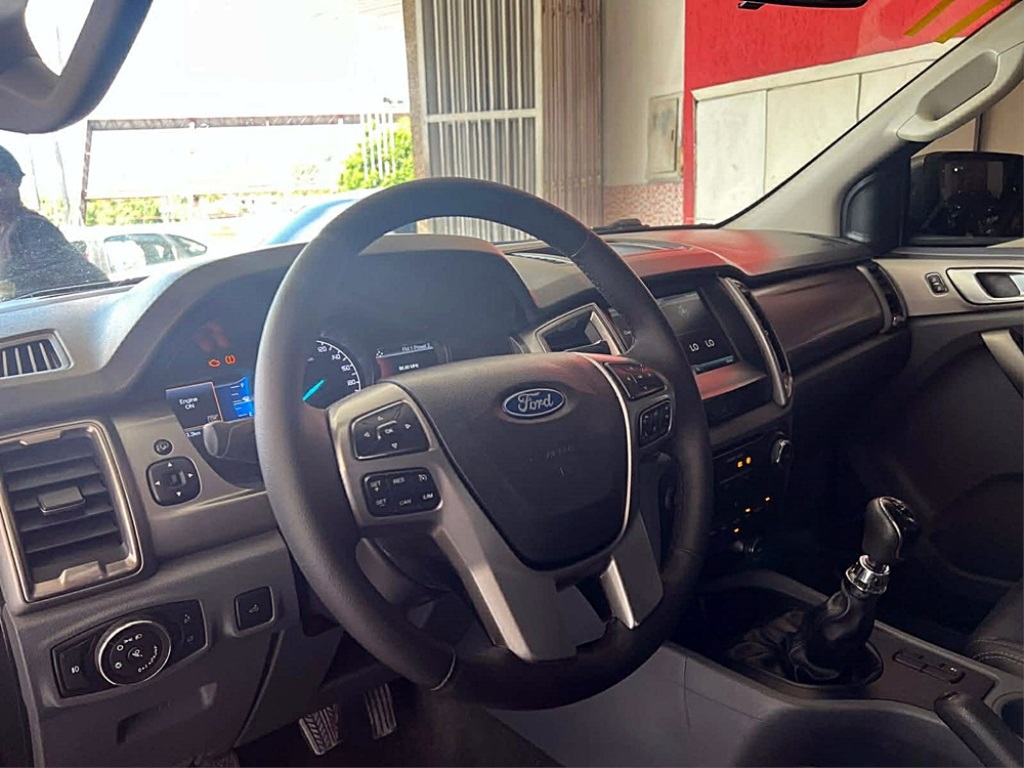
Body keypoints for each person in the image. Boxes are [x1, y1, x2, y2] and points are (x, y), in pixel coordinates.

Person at [0, 145, 107, 300]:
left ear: (12, 183)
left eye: (2, 183)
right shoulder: (11, 229)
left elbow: (90, 286)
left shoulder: (30, 229)